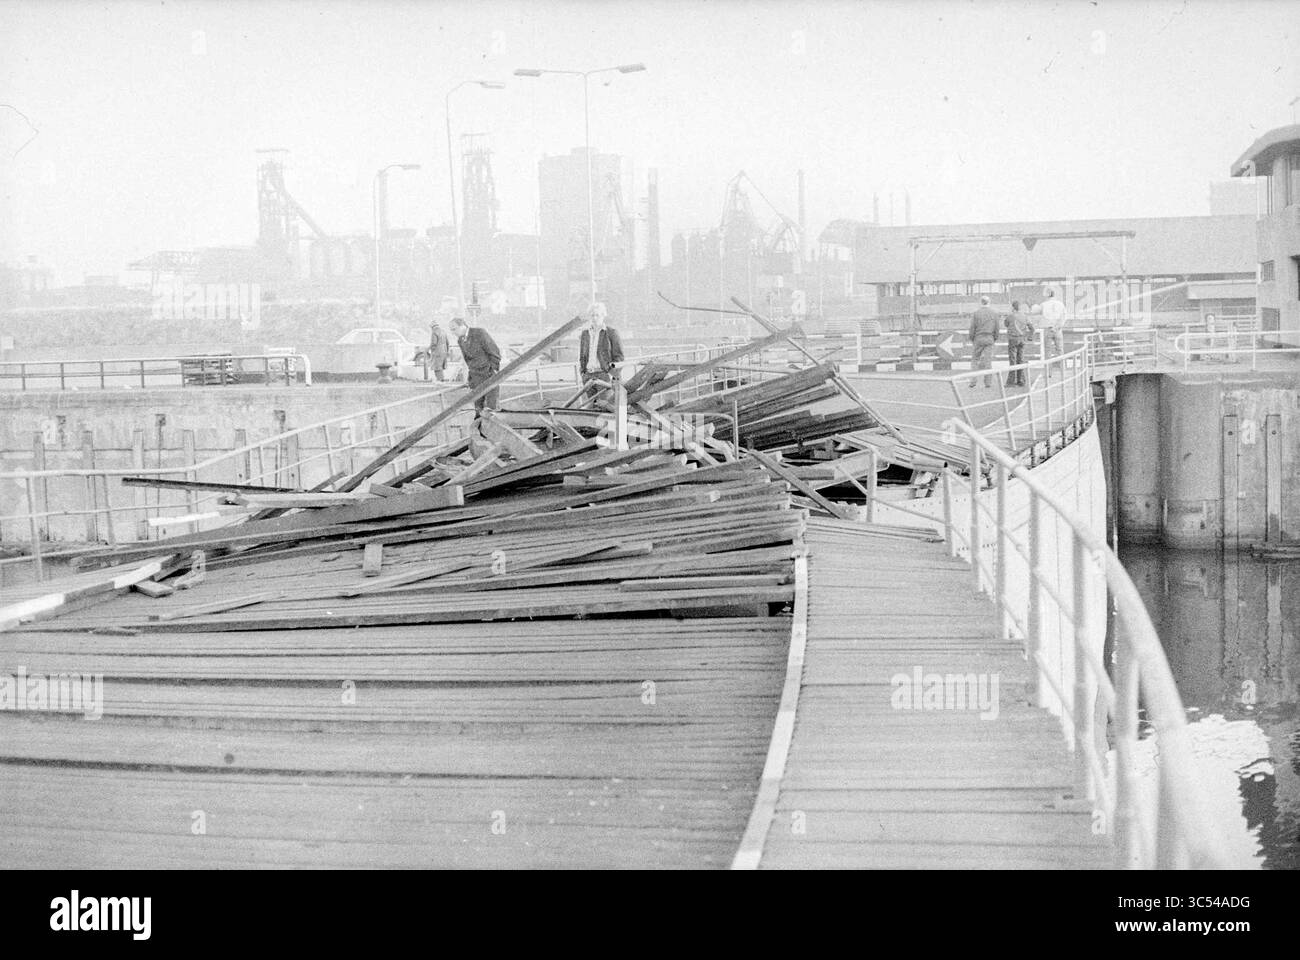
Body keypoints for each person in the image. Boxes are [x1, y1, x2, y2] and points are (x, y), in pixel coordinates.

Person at [449, 316, 501, 413]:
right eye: (451, 330)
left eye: (454, 329)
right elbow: (468, 360)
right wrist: (471, 377)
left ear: (462, 326)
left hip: (489, 375)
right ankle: (479, 427)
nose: (453, 333)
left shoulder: (479, 333)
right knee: (478, 409)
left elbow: (494, 352)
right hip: (476, 377)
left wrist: (494, 371)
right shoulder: (460, 340)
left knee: (491, 409)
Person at [577, 302, 625, 400]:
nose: (594, 318)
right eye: (592, 315)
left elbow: (619, 357)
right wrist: (583, 372)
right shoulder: (585, 334)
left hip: (604, 376)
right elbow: (582, 356)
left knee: (605, 406)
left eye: (597, 315)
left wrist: (612, 374)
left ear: (603, 315)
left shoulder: (611, 333)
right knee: (592, 408)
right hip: (588, 376)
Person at [967, 295, 1000, 388]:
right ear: (989, 302)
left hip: (978, 338)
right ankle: (988, 383)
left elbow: (972, 328)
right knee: (988, 361)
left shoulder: (976, 313)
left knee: (974, 360)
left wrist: (972, 339)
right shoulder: (994, 313)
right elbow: (997, 329)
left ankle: (973, 381)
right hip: (989, 338)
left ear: (980, 302)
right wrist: (994, 338)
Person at [1004, 300, 1034, 388]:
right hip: (1022, 339)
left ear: (1013, 307)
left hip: (1013, 339)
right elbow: (1032, 328)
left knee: (1013, 360)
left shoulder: (1010, 316)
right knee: (1020, 359)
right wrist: (1029, 337)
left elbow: (1006, 324)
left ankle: (1011, 381)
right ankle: (1021, 380)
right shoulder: (1025, 316)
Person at [1039, 287, 1066, 363]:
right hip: (1058, 330)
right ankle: (1062, 369)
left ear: (1047, 295)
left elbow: (1037, 313)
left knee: (1048, 351)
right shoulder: (1060, 304)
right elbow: (1064, 317)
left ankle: (1048, 372)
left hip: (1048, 330)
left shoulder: (1043, 305)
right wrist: (1057, 327)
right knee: (1060, 350)